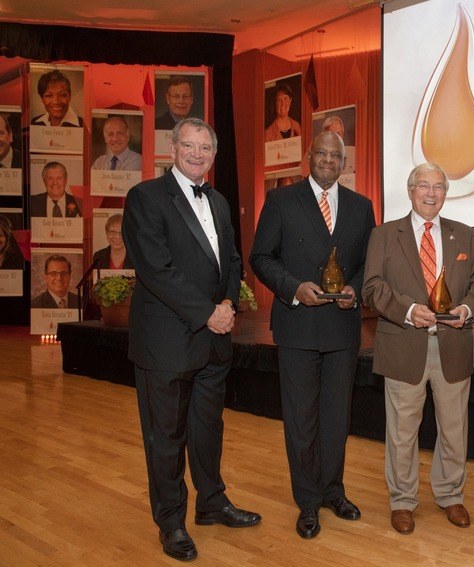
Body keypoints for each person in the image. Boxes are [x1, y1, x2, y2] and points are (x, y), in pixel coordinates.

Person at [122, 118, 260, 561]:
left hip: (213, 341)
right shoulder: (145, 197)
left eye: (205, 147)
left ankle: (212, 503)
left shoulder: (219, 201)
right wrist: (208, 313)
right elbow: (155, 269)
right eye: (189, 145)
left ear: (214, 155)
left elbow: (232, 261)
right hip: (166, 343)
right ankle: (171, 522)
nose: (197, 153)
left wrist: (227, 303)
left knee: (208, 430)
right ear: (173, 149)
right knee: (165, 437)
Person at [250, 131, 375, 539]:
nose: (327, 160)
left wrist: (355, 288)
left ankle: (333, 491)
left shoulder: (361, 206)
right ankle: (307, 501)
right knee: (301, 420)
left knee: (337, 417)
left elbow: (367, 263)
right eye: (320, 153)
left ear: (344, 163)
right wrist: (292, 288)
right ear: (308, 156)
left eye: (335, 155)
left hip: (342, 327)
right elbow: (260, 257)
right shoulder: (281, 200)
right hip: (298, 324)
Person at [362, 163, 474, 534]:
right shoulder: (384, 234)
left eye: (439, 187)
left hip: (453, 346)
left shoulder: (464, 235)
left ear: (446, 193)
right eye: (424, 186)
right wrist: (409, 310)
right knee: (402, 432)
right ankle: (402, 500)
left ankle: (450, 494)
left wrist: (467, 309)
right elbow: (372, 287)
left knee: (454, 429)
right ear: (410, 190)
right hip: (404, 345)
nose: (431, 194)